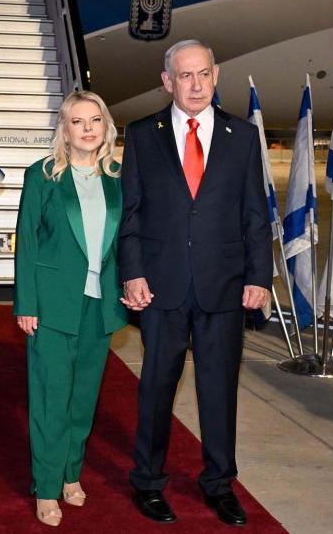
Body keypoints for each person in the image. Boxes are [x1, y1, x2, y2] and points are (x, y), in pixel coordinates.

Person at [118, 40, 272, 526]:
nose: (196, 84)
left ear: (216, 74)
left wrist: (259, 276)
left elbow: (255, 214)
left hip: (224, 286)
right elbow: (131, 214)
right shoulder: (143, 135)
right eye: (185, 76)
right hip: (160, 287)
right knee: (156, 390)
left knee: (219, 390)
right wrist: (132, 271)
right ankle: (147, 481)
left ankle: (220, 484)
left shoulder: (243, 137)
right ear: (167, 81)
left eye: (203, 74)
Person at [14, 91, 127, 527]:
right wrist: (27, 302)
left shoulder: (118, 175)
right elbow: (27, 240)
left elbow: (127, 238)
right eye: (77, 121)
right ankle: (45, 486)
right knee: (50, 398)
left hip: (100, 305)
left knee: (83, 398)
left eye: (94, 120)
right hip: (52, 304)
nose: (87, 128)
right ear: (64, 128)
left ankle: (70, 473)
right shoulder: (42, 176)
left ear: (105, 126)